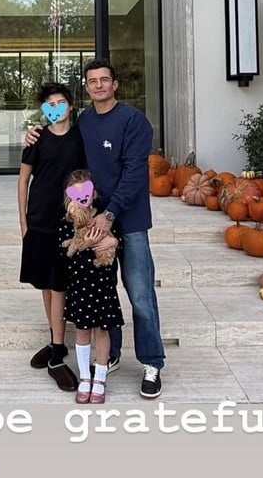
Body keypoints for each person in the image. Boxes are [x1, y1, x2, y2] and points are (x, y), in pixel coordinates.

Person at [25, 57, 166, 398]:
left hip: (126, 222)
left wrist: (111, 214)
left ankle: (151, 363)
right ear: (87, 88)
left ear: (115, 85)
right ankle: (111, 353)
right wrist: (34, 131)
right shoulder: (85, 120)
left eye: (105, 79)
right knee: (102, 292)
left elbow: (134, 174)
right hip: (90, 222)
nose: (99, 85)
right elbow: (58, 132)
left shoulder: (133, 122)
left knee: (140, 293)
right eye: (93, 81)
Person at [18, 82, 86, 392]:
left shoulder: (80, 137)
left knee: (60, 284)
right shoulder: (37, 138)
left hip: (68, 221)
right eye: (49, 104)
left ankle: (58, 349)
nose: (55, 109)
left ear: (70, 106)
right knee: (46, 284)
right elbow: (23, 181)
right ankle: (55, 340)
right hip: (39, 221)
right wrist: (23, 224)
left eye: (61, 103)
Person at [58, 169, 122, 404]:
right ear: (70, 199)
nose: (83, 198)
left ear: (94, 194)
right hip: (81, 287)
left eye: (86, 192)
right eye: (77, 195)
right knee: (83, 331)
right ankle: (85, 377)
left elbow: (119, 242)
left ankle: (100, 377)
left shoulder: (105, 217)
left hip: (103, 285)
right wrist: (86, 243)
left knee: (102, 331)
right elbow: (64, 252)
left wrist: (112, 240)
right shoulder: (67, 222)